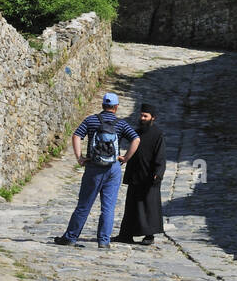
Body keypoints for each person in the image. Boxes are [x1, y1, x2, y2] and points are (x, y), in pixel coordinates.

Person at [54, 93, 139, 249]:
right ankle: (103, 241)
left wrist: (79, 157)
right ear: (116, 107)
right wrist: (125, 158)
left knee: (84, 205)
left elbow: (76, 136)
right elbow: (136, 139)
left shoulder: (91, 120)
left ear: (102, 105)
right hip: (113, 168)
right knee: (108, 207)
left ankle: (70, 237)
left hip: (93, 167)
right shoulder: (121, 124)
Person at [112, 104, 166, 246]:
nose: (142, 118)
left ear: (152, 118)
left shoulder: (157, 134)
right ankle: (126, 234)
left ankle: (149, 235)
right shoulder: (135, 133)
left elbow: (160, 156)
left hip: (149, 176)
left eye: (145, 116)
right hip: (135, 174)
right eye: (141, 115)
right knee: (131, 206)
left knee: (149, 206)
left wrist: (158, 173)